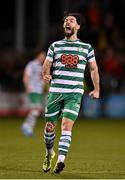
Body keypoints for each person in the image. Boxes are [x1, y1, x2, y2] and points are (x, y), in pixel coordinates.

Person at [42, 12, 100, 173]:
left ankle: (61, 160)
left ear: (78, 26)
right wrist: (45, 74)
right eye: (65, 20)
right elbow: (47, 64)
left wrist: (96, 89)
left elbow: (93, 69)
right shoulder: (55, 46)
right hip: (55, 91)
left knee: (67, 125)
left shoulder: (86, 47)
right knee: (49, 127)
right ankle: (49, 154)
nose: (67, 22)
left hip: (74, 93)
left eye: (71, 20)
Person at [21, 48, 46, 137]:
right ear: (38, 55)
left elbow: (42, 79)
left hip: (38, 91)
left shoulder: (41, 66)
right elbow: (26, 76)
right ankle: (27, 127)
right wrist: (27, 87)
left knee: (36, 110)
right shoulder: (31, 65)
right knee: (36, 110)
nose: (44, 57)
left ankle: (27, 127)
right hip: (33, 90)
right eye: (43, 55)